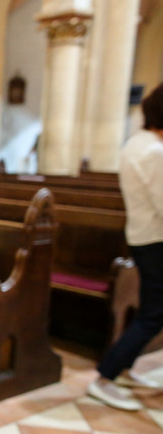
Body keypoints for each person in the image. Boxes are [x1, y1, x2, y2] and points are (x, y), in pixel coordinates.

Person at [87, 82, 163, 411]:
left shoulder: (136, 143)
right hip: (155, 239)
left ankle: (125, 369)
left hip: (142, 236)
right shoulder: (155, 151)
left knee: (151, 311)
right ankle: (105, 376)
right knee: (153, 315)